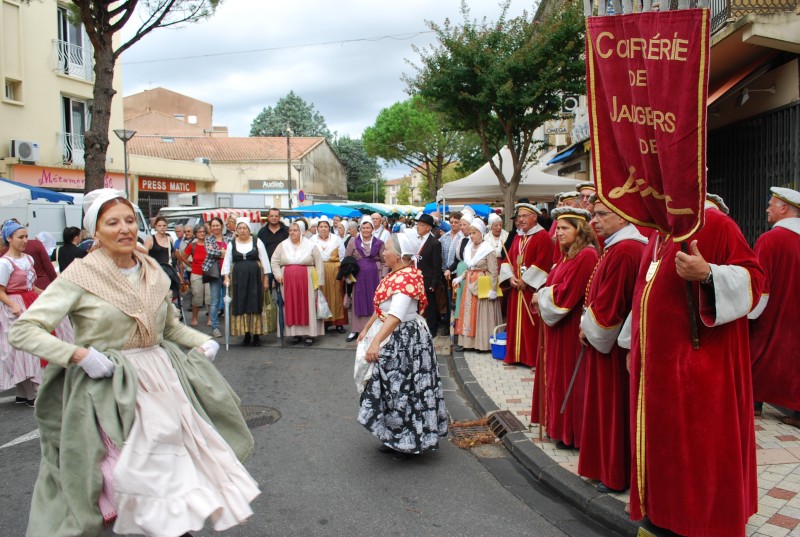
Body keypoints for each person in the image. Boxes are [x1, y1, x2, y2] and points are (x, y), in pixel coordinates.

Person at [8, 189, 259, 537]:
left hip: (161, 384)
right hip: (107, 390)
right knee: (127, 480)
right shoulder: (79, 276)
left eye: (129, 220)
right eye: (112, 222)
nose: (124, 229)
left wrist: (202, 341)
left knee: (171, 476)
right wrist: (79, 354)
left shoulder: (152, 270)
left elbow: (168, 327)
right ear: (95, 232)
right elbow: (24, 331)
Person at [625, 196, 765, 536]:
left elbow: (755, 282)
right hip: (657, 375)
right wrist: (633, 346)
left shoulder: (715, 225)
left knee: (698, 461)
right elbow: (644, 297)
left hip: (699, 375)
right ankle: (662, 517)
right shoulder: (659, 234)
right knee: (663, 456)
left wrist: (708, 275)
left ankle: (699, 525)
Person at [577, 198, 647, 493]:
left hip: (613, 347)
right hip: (610, 342)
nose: (595, 221)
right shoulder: (618, 247)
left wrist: (586, 327)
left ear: (623, 217)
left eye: (602, 214)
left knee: (613, 408)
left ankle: (614, 472)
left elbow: (611, 308)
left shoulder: (626, 250)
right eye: (594, 215)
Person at [356, 232, 449, 456]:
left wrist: (375, 343)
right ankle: (393, 436)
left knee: (404, 389)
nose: (383, 252)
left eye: (387, 249)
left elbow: (396, 314)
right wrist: (367, 328)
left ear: (398, 255)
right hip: (395, 334)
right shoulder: (397, 274)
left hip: (405, 340)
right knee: (391, 390)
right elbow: (383, 308)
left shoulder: (406, 277)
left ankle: (408, 440)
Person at [532, 207, 599, 450]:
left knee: (568, 378)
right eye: (557, 228)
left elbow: (566, 294)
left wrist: (541, 297)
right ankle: (557, 427)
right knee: (555, 378)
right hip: (556, 328)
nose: (558, 232)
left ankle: (570, 432)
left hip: (569, 328)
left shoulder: (587, 256)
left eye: (564, 228)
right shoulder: (568, 254)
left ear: (579, 229)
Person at [0, 220, 72, 407]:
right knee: (21, 349)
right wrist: (12, 305)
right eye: (20, 237)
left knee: (36, 343)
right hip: (15, 304)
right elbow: (1, 291)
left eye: (26, 236)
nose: (25, 240)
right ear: (9, 238)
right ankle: (29, 392)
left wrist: (48, 293)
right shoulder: (4, 263)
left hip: (30, 298)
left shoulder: (28, 259)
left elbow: (31, 285)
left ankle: (26, 393)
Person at [749, 187, 800, 428]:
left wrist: (749, 312)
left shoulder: (770, 239)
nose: (768, 208)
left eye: (771, 204)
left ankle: (754, 403)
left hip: (773, 312)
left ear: (784, 208)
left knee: (760, 351)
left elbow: (760, 283)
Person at [502, 202, 554, 367]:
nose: (521, 220)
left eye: (524, 216)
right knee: (515, 324)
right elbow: (507, 260)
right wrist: (510, 278)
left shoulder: (543, 236)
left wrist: (526, 280)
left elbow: (544, 261)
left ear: (534, 217)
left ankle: (532, 359)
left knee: (531, 325)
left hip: (531, 290)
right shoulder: (518, 237)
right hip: (516, 288)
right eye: (519, 217)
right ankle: (514, 355)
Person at [270, 219, 325, 346]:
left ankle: (310, 334)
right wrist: (278, 275)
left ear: (301, 232)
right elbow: (274, 261)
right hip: (287, 282)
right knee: (291, 305)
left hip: (308, 281)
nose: (292, 232)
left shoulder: (311, 245)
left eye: (295, 230)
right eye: (290, 230)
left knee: (308, 305)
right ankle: (294, 333)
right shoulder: (282, 245)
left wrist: (320, 281)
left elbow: (319, 263)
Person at [453, 218, 502, 352]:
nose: (472, 236)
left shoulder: (488, 249)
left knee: (481, 315)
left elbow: (493, 271)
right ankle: (468, 343)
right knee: (468, 314)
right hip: (470, 284)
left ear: (481, 233)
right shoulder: (469, 248)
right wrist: (460, 278)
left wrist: (492, 289)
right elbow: (470, 268)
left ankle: (482, 344)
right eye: (471, 233)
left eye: (474, 233)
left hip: (482, 285)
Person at [222, 218, 270, 347]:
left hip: (255, 277)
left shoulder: (257, 241)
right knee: (241, 302)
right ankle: (246, 334)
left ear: (249, 230)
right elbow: (227, 261)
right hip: (238, 278)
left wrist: (266, 279)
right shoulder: (232, 244)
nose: (242, 231)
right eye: (240, 228)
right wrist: (226, 277)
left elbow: (265, 260)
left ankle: (256, 335)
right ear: (236, 230)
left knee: (255, 302)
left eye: (245, 228)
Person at [344, 216, 386, 343]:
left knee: (374, 301)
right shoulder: (353, 241)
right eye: (363, 227)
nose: (366, 230)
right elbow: (347, 259)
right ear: (360, 228)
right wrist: (348, 275)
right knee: (358, 301)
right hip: (359, 276)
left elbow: (385, 261)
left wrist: (383, 276)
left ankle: (374, 328)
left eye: (368, 227)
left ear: (373, 229)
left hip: (375, 276)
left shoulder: (379, 243)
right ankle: (356, 330)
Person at [313, 217, 347, 333]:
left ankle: (338, 323)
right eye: (321, 227)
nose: (323, 229)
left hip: (334, 270)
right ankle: (324, 322)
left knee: (337, 295)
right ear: (317, 228)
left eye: (326, 226)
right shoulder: (312, 240)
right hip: (319, 270)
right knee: (322, 295)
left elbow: (342, 256)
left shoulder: (336, 239)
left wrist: (342, 271)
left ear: (329, 228)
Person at [414, 213, 444, 337]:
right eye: (418, 224)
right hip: (416, 277)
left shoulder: (434, 243)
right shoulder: (416, 239)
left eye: (421, 225)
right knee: (416, 304)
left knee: (430, 305)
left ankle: (432, 329)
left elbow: (437, 265)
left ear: (428, 227)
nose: (418, 227)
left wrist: (434, 283)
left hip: (428, 278)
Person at [203, 217, 227, 338]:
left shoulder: (228, 238)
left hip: (227, 272)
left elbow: (231, 252)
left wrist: (217, 251)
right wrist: (222, 252)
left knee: (228, 299)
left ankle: (230, 325)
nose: (215, 228)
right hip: (214, 272)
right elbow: (209, 252)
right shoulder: (208, 238)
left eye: (217, 225)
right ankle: (215, 327)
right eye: (213, 226)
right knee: (214, 301)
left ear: (222, 226)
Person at [185, 224, 211, 326]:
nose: (202, 233)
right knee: (197, 297)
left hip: (209, 274)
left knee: (209, 297)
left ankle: (210, 318)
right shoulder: (192, 246)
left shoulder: (209, 244)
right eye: (200, 232)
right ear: (196, 233)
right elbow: (183, 257)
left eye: (203, 232)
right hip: (196, 273)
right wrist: (191, 265)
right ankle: (194, 318)